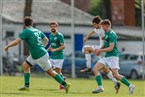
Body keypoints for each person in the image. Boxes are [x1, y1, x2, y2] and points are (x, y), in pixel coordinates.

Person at [4, 16, 71, 94]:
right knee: (25, 65)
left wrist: (8, 46)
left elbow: (16, 42)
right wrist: (41, 47)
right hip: (35, 55)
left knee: (51, 72)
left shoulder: (26, 31)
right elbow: (46, 40)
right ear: (32, 24)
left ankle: (65, 84)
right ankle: (26, 86)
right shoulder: (37, 30)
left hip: (40, 55)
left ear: (24, 24)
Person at [92, 19, 135, 94]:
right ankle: (100, 87)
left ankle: (130, 85)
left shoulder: (112, 34)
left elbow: (111, 48)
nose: (102, 28)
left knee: (115, 75)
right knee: (95, 69)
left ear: (107, 26)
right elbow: (105, 44)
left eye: (103, 26)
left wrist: (100, 51)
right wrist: (99, 50)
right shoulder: (106, 33)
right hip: (106, 57)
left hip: (113, 57)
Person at [80, 16, 121, 94]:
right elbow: (93, 31)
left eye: (95, 24)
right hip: (103, 51)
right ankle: (116, 83)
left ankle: (88, 67)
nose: (94, 26)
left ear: (99, 23)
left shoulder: (104, 29)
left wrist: (102, 43)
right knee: (105, 69)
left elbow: (108, 37)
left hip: (103, 49)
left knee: (86, 48)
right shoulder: (98, 28)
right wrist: (87, 37)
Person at [47, 21, 66, 90]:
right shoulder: (50, 35)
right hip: (53, 56)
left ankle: (63, 84)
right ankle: (63, 78)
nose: (53, 28)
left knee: (58, 72)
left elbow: (63, 46)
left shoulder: (60, 35)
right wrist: (46, 50)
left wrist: (55, 50)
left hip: (59, 56)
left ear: (56, 27)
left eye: (54, 26)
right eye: (51, 26)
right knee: (48, 69)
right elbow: (52, 45)